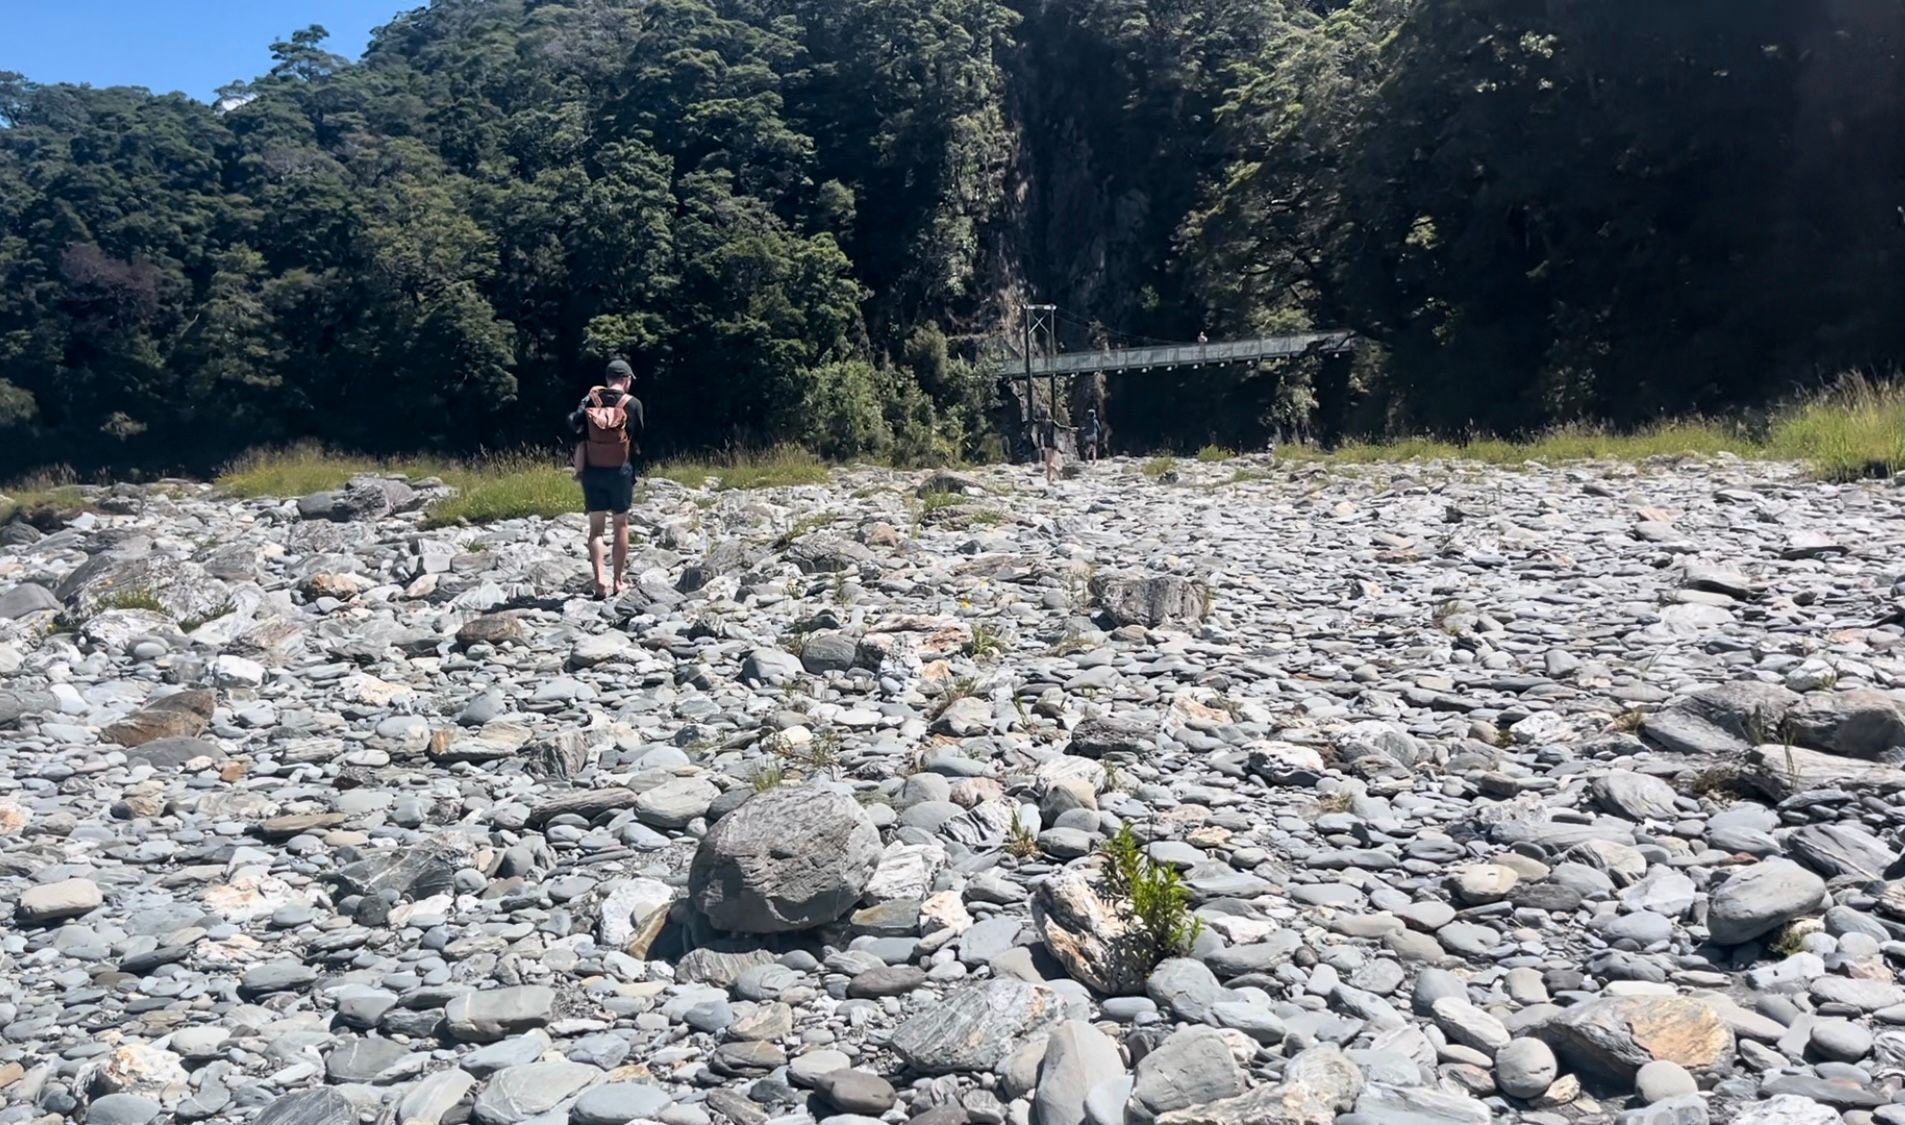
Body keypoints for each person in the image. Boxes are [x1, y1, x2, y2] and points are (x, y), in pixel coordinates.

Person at [568, 358, 645, 598]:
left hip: (593, 470)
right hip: (620, 470)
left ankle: (600, 580)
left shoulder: (591, 400)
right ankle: (618, 580)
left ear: (608, 379)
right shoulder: (632, 404)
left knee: (596, 530)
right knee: (620, 524)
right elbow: (639, 437)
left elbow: (574, 423)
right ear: (625, 379)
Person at [1040, 414, 1062, 485]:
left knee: (1049, 463)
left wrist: (1041, 445)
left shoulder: (1043, 424)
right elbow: (1061, 427)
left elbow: (1042, 435)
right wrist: (1070, 429)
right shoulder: (1053, 422)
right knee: (1050, 462)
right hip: (1054, 444)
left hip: (1047, 445)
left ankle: (1057, 471)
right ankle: (1049, 478)